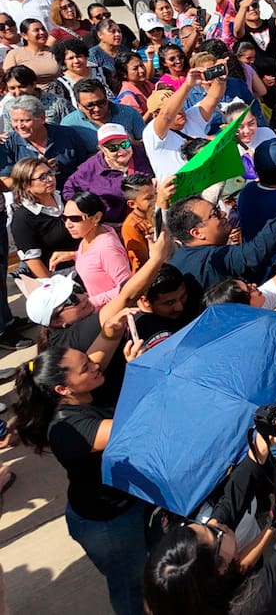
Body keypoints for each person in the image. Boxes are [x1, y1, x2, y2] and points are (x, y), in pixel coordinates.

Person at [12, 233, 171, 615]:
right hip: (108, 524)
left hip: (126, 504)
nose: (95, 364)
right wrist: (136, 373)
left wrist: (113, 330)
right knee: (131, 589)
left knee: (149, 572)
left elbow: (102, 343)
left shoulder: (76, 388)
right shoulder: (71, 427)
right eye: (85, 368)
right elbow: (131, 429)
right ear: (64, 388)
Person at [142, 403, 276, 615]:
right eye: (215, 534)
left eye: (192, 527)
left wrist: (257, 454)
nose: (214, 522)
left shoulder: (182, 596)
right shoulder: (253, 601)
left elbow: (228, 506)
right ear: (218, 571)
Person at [168, 169, 276, 292]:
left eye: (218, 209)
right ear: (197, 233)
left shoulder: (180, 258)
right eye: (215, 214)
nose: (223, 214)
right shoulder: (213, 259)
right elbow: (255, 251)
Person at [63, 123, 153, 224]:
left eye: (125, 144)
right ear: (102, 149)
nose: (121, 151)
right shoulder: (90, 168)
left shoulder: (145, 154)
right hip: (114, 225)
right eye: (113, 148)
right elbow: (69, 189)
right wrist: (89, 208)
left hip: (149, 218)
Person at [0, 96, 90, 187]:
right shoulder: (8, 143)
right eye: (15, 121)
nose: (19, 126)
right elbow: (4, 182)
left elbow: (86, 168)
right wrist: (34, 174)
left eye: (26, 120)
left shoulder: (67, 134)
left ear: (42, 118)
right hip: (31, 199)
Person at [61, 191, 131, 306]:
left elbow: (127, 288)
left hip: (112, 317)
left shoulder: (107, 248)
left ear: (96, 217)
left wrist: (88, 303)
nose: (68, 224)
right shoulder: (89, 236)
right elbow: (94, 260)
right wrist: (74, 255)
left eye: (75, 218)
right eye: (65, 218)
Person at [62, 78, 145, 154]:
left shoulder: (129, 113)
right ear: (78, 105)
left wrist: (131, 144)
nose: (97, 109)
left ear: (107, 98)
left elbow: (145, 143)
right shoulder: (69, 124)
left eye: (101, 103)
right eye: (90, 105)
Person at [5, 18, 59, 89]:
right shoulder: (14, 54)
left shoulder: (56, 51)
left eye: (43, 29)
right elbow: (9, 80)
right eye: (36, 30)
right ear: (24, 35)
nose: (42, 32)